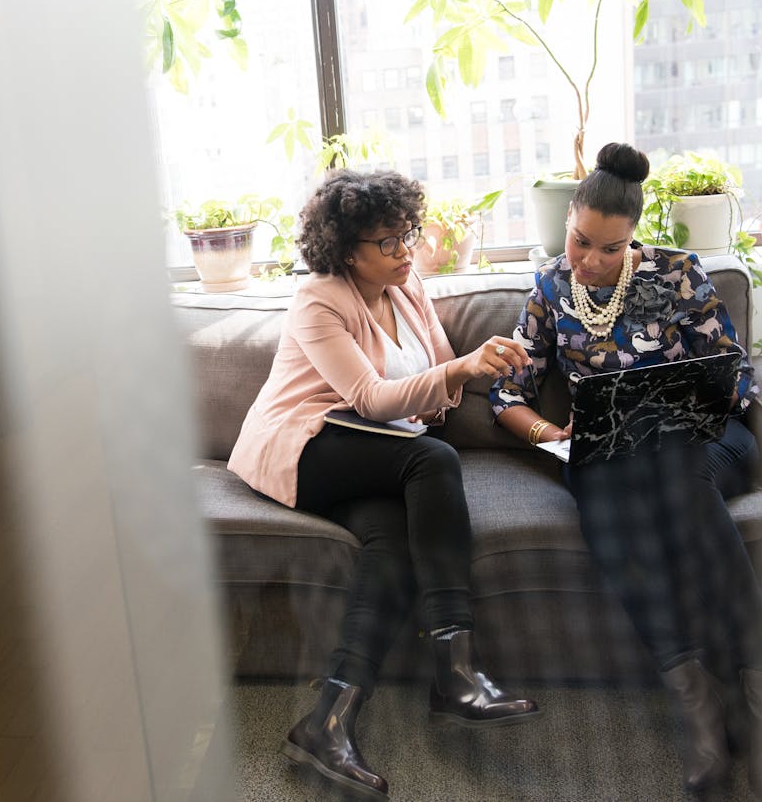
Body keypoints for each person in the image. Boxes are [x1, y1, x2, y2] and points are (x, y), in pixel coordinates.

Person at [228, 169, 540, 800]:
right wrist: (458, 371)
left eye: (408, 234)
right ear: (347, 250)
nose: (405, 251)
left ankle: (328, 720)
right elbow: (370, 398)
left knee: (392, 543)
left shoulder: (406, 286)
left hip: (372, 451)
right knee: (433, 461)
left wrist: (486, 367)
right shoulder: (319, 300)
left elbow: (440, 375)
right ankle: (456, 671)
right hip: (304, 441)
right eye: (388, 242)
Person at [489, 143, 762, 797]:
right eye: (580, 241)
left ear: (633, 239)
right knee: (598, 489)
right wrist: (550, 433)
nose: (590, 260)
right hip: (609, 459)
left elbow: (737, 376)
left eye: (609, 248)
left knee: (677, 473)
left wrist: (687, 399)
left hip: (705, 444)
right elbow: (507, 393)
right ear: (568, 221)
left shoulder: (678, 273)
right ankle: (698, 705)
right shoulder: (550, 288)